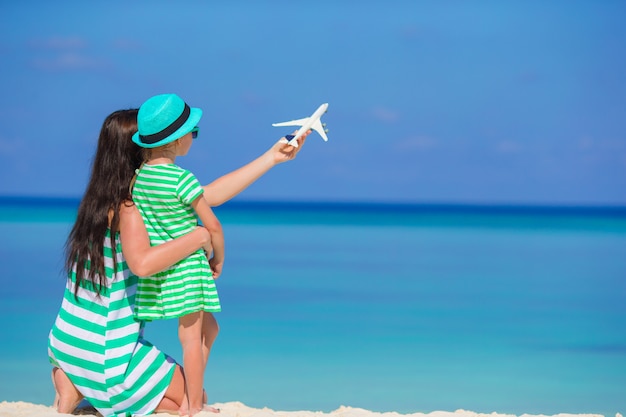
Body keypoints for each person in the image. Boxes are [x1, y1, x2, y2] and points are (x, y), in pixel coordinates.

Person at [48, 108, 309, 416]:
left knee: (180, 390)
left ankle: (73, 383)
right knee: (192, 396)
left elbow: (205, 194)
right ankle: (97, 388)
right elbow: (142, 264)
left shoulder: (95, 205)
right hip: (109, 355)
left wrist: (271, 157)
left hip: (65, 345)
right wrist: (198, 238)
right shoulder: (129, 209)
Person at [130, 93, 225, 415]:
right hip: (188, 269)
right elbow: (212, 226)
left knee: (209, 330)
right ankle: (193, 407)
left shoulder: (138, 179)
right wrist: (218, 259)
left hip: (163, 269)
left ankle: (190, 399)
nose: (193, 139)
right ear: (177, 139)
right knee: (192, 339)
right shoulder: (182, 179)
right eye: (192, 133)